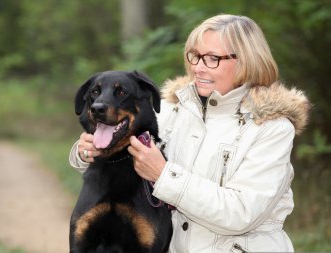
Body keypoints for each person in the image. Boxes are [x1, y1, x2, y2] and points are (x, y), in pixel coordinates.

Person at [70, 14, 310, 252]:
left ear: (246, 62)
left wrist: (163, 175)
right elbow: (120, 161)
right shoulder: (171, 110)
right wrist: (85, 152)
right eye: (194, 56)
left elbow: (241, 213)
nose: (198, 67)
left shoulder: (272, 127)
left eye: (212, 58)